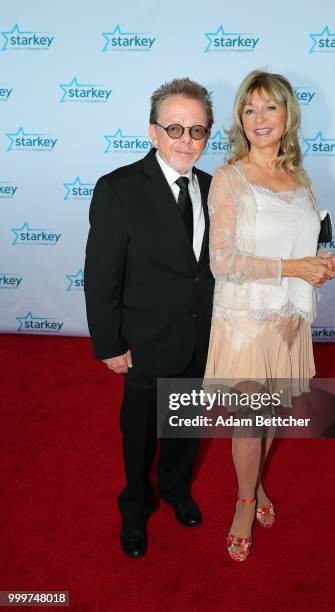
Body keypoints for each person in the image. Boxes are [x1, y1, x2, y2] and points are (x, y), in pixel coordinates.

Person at [204, 70, 335, 561]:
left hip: (289, 317)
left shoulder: (300, 177)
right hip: (244, 319)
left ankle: (255, 484)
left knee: (271, 412)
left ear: (287, 116)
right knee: (248, 416)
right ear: (240, 118)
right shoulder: (229, 177)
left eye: (270, 108)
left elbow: (307, 242)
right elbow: (223, 261)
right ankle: (244, 501)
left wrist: (320, 264)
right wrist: (292, 266)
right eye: (249, 109)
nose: (260, 118)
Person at [84, 78, 214, 558]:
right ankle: (135, 507)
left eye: (197, 130)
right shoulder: (118, 189)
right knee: (138, 433)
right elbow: (100, 276)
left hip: (200, 337)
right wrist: (109, 343)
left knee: (184, 425)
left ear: (207, 136)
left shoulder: (214, 188)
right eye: (175, 128)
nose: (186, 140)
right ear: (153, 132)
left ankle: (177, 490)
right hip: (143, 341)